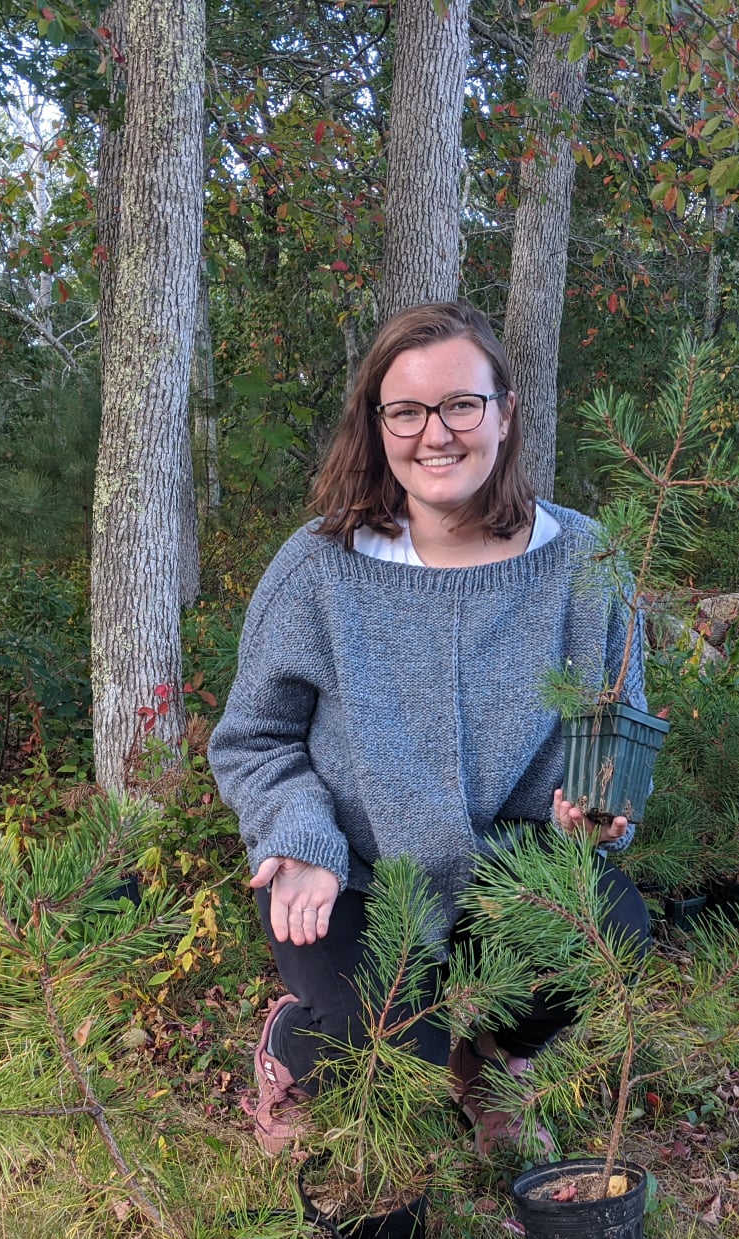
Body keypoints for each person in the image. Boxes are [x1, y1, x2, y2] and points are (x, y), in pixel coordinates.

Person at [208, 300, 653, 1156]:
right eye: (405, 411)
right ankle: (294, 1049)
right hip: (354, 877)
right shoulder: (320, 564)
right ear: (378, 426)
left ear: (506, 413)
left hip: (507, 876)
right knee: (383, 1053)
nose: (435, 434)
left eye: (460, 405)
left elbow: (616, 728)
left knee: (612, 928)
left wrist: (595, 813)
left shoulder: (584, 561)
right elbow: (253, 739)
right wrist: (300, 837)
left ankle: (491, 1056)